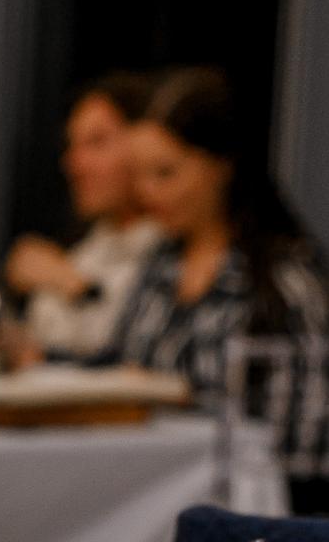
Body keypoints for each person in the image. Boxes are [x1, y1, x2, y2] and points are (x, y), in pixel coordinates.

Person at [103, 67, 329, 401]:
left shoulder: (285, 283)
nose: (147, 191)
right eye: (137, 175)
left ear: (221, 165)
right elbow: (116, 366)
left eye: (165, 173)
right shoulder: (160, 263)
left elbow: (306, 419)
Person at [3, 73, 159, 363]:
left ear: (146, 143)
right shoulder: (91, 246)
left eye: (97, 142)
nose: (74, 164)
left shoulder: (167, 251)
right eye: (72, 146)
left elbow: (121, 352)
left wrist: (69, 282)